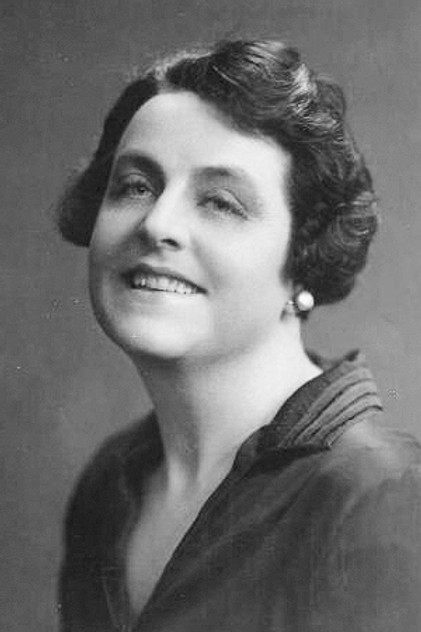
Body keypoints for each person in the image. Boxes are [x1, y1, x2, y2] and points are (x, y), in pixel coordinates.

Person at [56, 39, 421, 631]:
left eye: (220, 202)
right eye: (136, 186)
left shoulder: (382, 500)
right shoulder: (112, 482)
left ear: (305, 259)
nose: (157, 224)